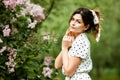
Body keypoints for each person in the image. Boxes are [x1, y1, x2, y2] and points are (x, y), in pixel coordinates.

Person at [55, 7, 102, 80]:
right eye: (72, 19)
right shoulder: (73, 40)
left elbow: (68, 72)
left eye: (78, 22)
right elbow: (57, 65)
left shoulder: (81, 41)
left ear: (86, 27)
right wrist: (66, 47)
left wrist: (64, 48)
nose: (73, 23)